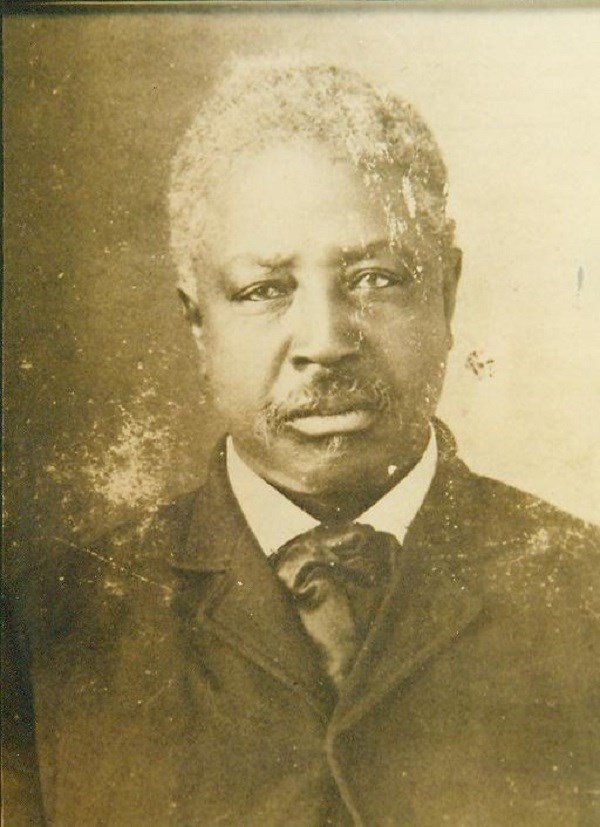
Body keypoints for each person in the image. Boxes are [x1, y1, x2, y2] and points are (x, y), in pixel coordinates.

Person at [3, 60, 599, 826]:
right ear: (198, 323)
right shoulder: (43, 630)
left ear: (446, 294)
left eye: (376, 278)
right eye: (264, 290)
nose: (325, 341)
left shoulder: (584, 593)